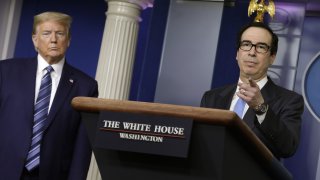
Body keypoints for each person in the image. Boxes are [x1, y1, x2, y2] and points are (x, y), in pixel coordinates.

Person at [0, 11, 98, 179]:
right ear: (34, 40)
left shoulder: (86, 86)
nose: (53, 39)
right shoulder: (6, 72)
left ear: (68, 40)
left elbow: (82, 148)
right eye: (46, 33)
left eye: (60, 33)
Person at [200, 22, 304, 159]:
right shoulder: (212, 97)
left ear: (272, 57)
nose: (252, 52)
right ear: (237, 53)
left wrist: (261, 108)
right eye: (246, 44)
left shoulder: (290, 101)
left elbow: (288, 147)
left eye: (261, 47)